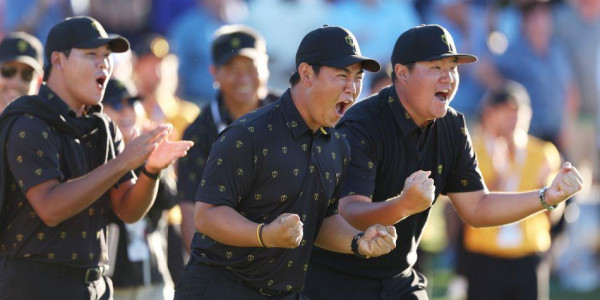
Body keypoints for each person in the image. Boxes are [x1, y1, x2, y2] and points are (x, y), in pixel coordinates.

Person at [304, 24, 583, 300]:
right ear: (402, 73)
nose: (448, 78)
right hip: (338, 281)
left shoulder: (452, 126)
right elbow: (350, 212)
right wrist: (403, 205)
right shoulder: (362, 125)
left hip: (399, 277)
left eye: (453, 68)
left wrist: (546, 197)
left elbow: (477, 207)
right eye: (436, 68)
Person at [174, 25, 397, 299]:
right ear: (306, 74)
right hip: (219, 291)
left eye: (358, 78)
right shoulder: (249, 133)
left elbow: (323, 220)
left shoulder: (338, 146)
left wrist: (358, 241)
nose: (352, 88)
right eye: (341, 76)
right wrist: (264, 235)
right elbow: (206, 215)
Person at [0, 16, 193, 299]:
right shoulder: (28, 122)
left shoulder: (103, 127)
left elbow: (127, 210)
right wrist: (122, 163)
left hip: (94, 286)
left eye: (106, 56)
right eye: (91, 55)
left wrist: (150, 171)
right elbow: (51, 208)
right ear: (58, 61)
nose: (103, 63)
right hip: (33, 287)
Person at [178, 24, 278, 254]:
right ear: (214, 72)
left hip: (286, 253)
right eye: (232, 67)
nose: (243, 77)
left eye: (251, 66)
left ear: (266, 67)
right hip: (223, 260)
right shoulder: (198, 133)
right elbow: (190, 209)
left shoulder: (292, 116)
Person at [459, 81, 563, 300]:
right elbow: (471, 206)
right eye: (506, 111)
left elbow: (554, 212)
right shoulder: (472, 151)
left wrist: (555, 197)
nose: (514, 119)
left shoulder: (543, 153)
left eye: (519, 111)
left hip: (528, 256)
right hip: (484, 258)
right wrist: (500, 171)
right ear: (489, 113)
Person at [102, 78, 176, 300]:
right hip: (113, 281)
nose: (126, 112)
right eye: (116, 105)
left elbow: (170, 200)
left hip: (153, 276)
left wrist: (155, 166)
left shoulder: (151, 153)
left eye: (132, 103)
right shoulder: (94, 153)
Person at [0, 32, 44, 113]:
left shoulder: (45, 124)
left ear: (39, 81)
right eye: (7, 71)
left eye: (27, 74)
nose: (15, 83)